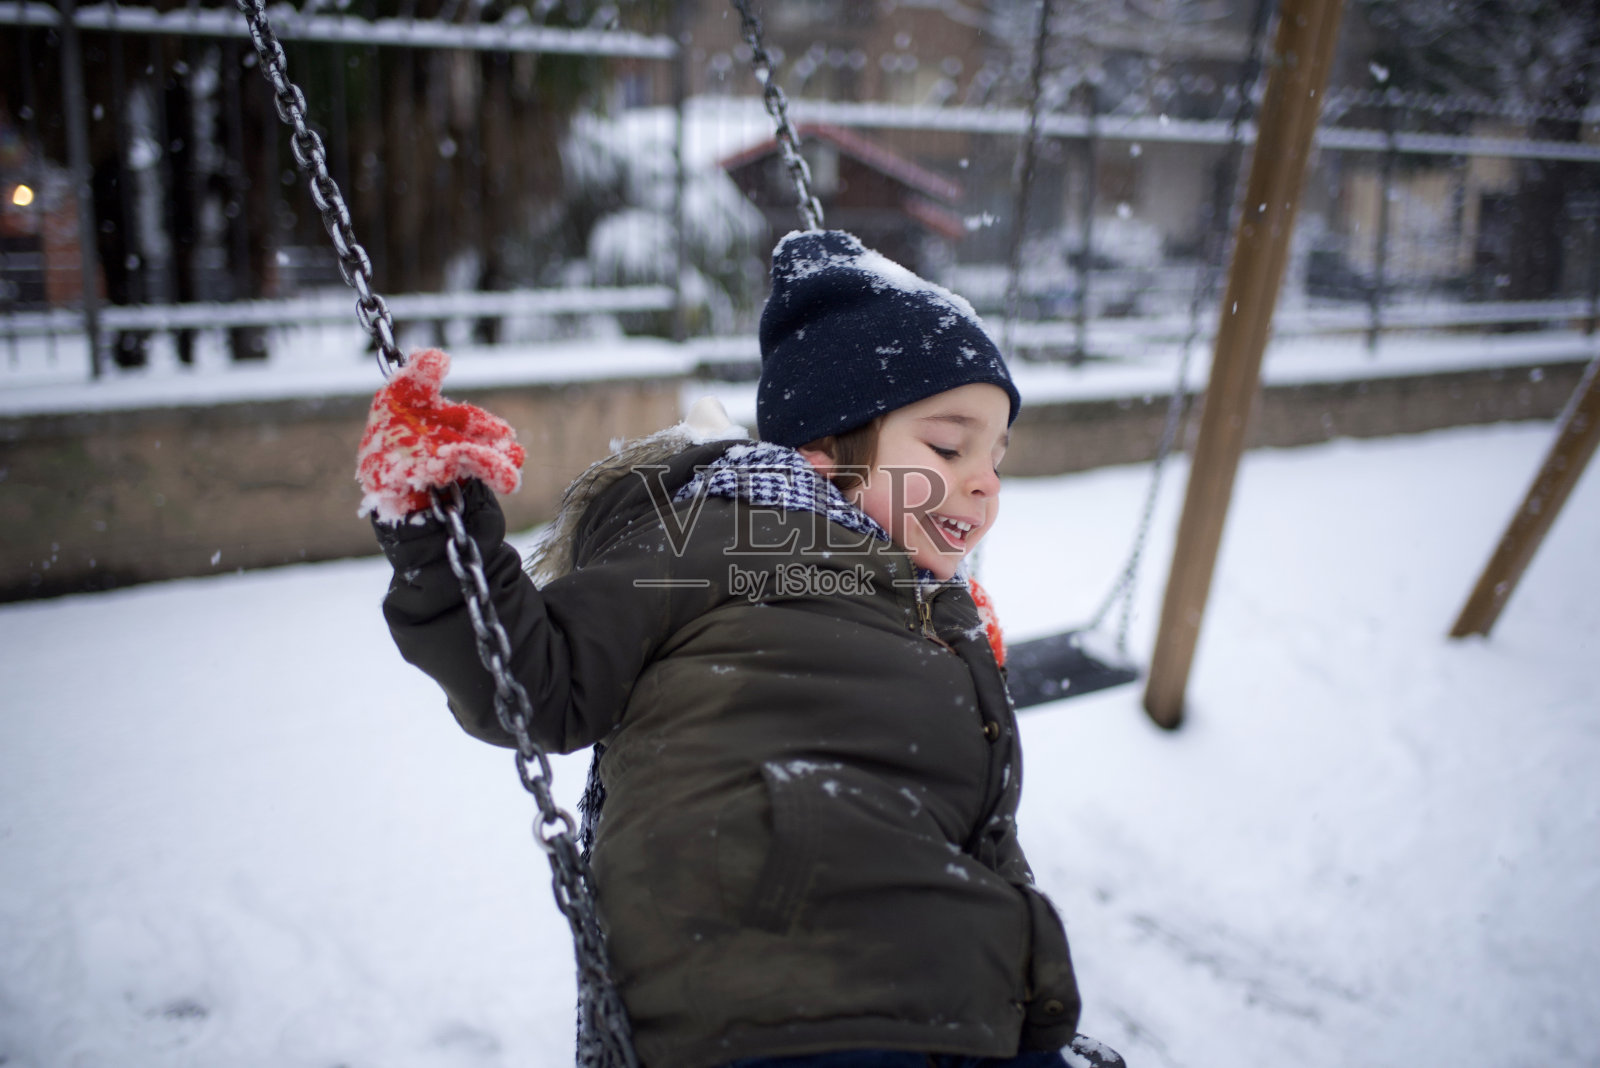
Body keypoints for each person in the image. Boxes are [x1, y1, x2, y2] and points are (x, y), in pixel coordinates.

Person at [360, 230, 1121, 1068]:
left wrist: (1035, 1012)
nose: (984, 482)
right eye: (948, 447)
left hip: (947, 999)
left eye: (997, 460)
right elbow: (535, 681)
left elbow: (984, 832)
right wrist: (442, 539)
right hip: (769, 981)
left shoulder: (947, 622)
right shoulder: (718, 537)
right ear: (822, 453)